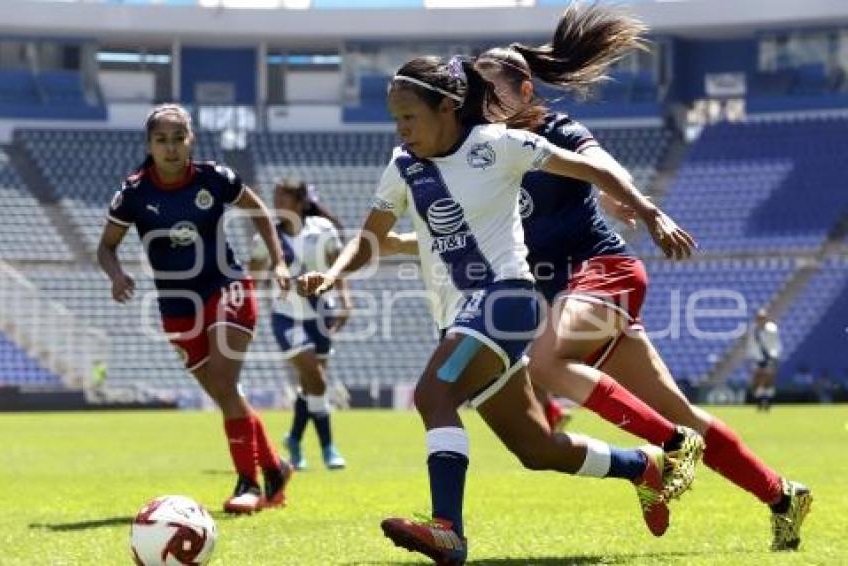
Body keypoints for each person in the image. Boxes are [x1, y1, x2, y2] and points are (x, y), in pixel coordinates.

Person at [298, 55, 704, 565]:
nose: (401, 131)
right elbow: (368, 239)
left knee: (433, 392)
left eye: (409, 118)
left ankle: (448, 531)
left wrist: (648, 211)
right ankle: (644, 467)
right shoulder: (403, 166)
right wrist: (333, 276)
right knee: (537, 450)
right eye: (396, 120)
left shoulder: (501, 145)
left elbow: (593, 167)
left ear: (447, 107)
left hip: (506, 300)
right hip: (460, 319)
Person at [468, 3, 810, 552]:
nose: (477, 104)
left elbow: (607, 166)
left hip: (604, 273)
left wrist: (642, 206)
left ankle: (666, 451)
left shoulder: (559, 130)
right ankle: (783, 496)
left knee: (549, 361)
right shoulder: (486, 151)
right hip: (567, 293)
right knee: (680, 411)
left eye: (488, 91)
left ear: (525, 91)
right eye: (473, 93)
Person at [97, 104, 293, 514]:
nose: (170, 148)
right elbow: (106, 246)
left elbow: (259, 212)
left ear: (192, 140)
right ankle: (275, 468)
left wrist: (277, 262)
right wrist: (116, 275)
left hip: (226, 285)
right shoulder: (133, 192)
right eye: (161, 140)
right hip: (175, 304)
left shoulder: (215, 178)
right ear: (149, 145)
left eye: (177, 139)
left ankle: (248, 484)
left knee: (224, 381)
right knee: (226, 396)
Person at [249, 179, 351, 470]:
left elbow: (337, 269)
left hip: (322, 314)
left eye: (283, 199)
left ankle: (294, 439)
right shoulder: (266, 238)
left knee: (311, 385)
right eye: (275, 198)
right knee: (316, 379)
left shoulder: (323, 231)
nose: (277, 204)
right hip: (286, 317)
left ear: (300, 202)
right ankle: (328, 446)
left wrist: (346, 302)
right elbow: (252, 278)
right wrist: (247, 312)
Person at [747, 308, 782, 411]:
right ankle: (760, 402)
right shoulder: (753, 330)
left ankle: (768, 403)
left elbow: (775, 343)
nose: (760, 320)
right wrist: (751, 356)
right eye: (759, 318)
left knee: (768, 381)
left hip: (770, 357)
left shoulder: (771, 329)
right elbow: (751, 344)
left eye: (762, 318)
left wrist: (773, 356)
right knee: (757, 381)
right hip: (758, 358)